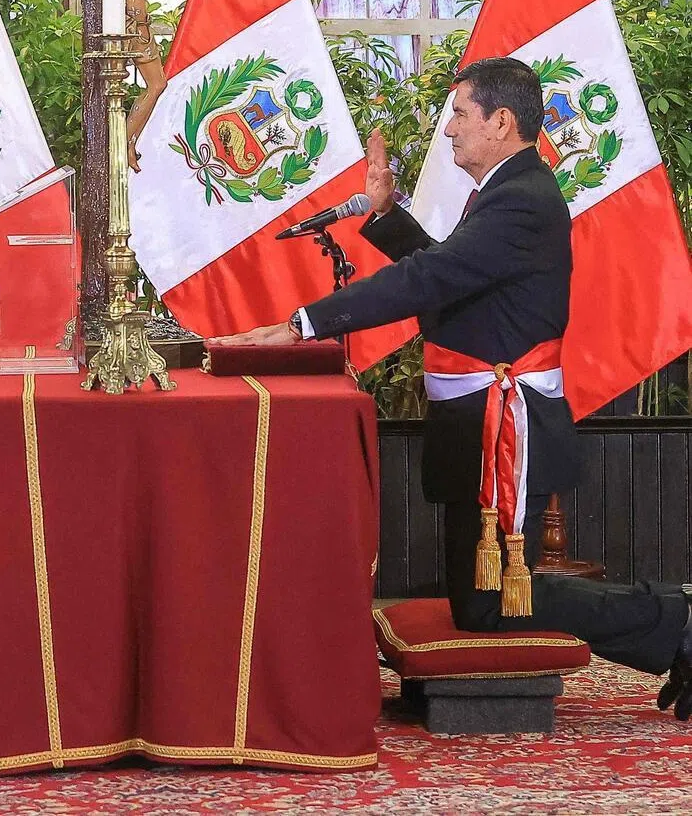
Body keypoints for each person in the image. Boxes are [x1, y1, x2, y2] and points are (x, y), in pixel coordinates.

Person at [212, 56, 692, 721]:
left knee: (491, 601)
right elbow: (448, 277)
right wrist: (383, 216)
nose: (450, 133)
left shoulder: (522, 198)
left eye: (459, 116)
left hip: (505, 426)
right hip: (475, 421)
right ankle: (676, 626)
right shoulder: (503, 192)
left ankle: (678, 622)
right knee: (478, 598)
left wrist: (306, 323)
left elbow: (433, 279)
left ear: (502, 120)